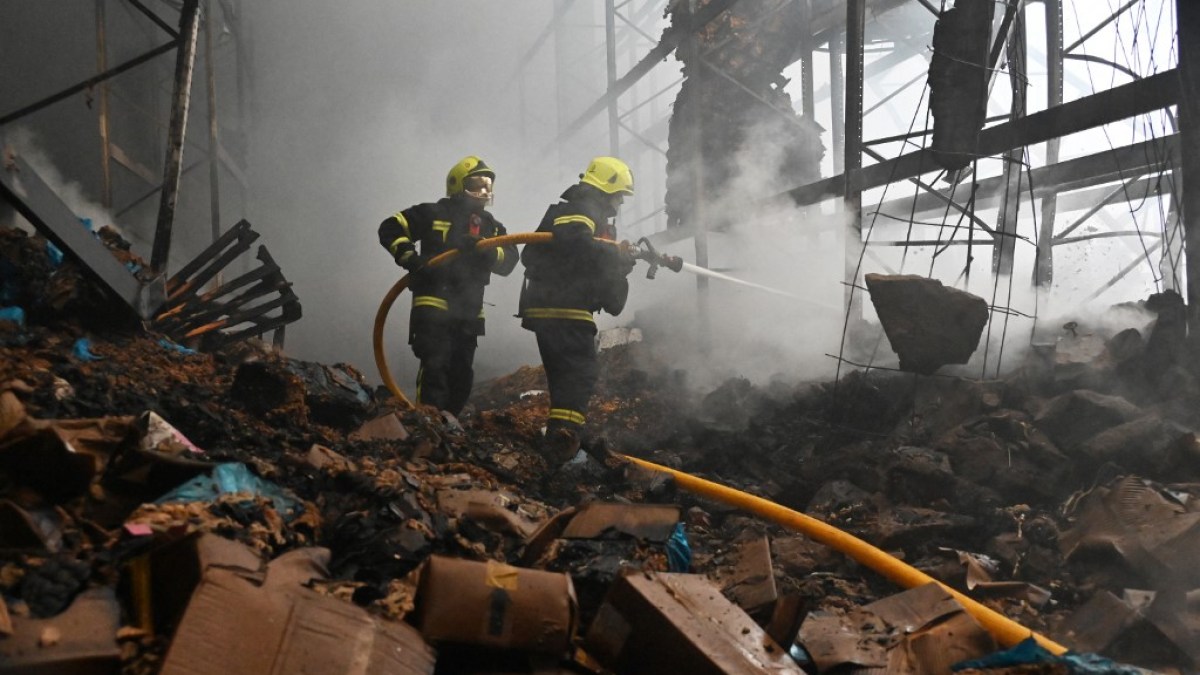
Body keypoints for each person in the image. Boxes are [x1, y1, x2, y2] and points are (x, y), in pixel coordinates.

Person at [378, 155, 518, 417]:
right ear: (457, 185)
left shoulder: (491, 227)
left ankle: (449, 427)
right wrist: (411, 259)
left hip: (469, 313)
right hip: (433, 306)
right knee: (435, 369)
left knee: (462, 376)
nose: (484, 192)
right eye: (476, 184)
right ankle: (427, 425)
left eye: (487, 185)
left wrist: (486, 252)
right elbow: (390, 227)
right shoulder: (434, 213)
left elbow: (510, 260)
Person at [518, 156, 637, 463]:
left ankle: (560, 441)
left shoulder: (592, 218)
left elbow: (609, 296)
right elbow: (574, 244)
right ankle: (563, 446)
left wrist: (621, 266)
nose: (620, 202)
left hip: (562, 310)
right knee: (579, 376)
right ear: (606, 187)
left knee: (568, 381)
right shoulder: (581, 208)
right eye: (619, 195)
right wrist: (614, 256)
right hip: (563, 309)